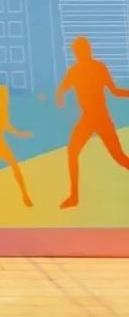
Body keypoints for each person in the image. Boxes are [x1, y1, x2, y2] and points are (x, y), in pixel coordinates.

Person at [56, 35, 129, 209]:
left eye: (83, 50)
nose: (81, 54)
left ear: (88, 50)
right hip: (88, 118)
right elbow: (62, 88)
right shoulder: (74, 71)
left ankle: (74, 196)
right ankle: (74, 196)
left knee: (119, 158)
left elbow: (114, 91)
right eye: (78, 51)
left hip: (101, 117)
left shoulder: (99, 67)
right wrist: (60, 95)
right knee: (72, 151)